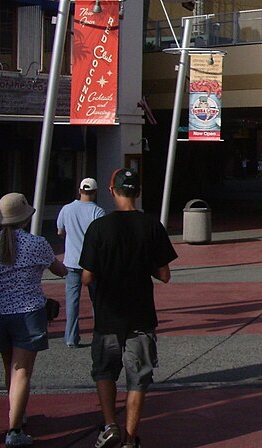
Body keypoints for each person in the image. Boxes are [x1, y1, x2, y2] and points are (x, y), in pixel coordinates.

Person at [80, 169, 177, 448]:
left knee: (104, 371)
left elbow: (87, 275)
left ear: (112, 190)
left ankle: (110, 424)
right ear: (138, 191)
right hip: (141, 314)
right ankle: (130, 439)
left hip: (108, 313)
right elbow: (165, 274)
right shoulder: (151, 226)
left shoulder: (98, 228)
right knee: (138, 378)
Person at [0, 193, 67, 447]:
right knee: (22, 372)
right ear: (24, 217)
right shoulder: (37, 244)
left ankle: (16, 412)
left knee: (9, 367)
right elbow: (59, 270)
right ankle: (14, 429)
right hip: (28, 313)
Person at [56, 177, 105, 348]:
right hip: (92, 263)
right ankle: (100, 335)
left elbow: (60, 231)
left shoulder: (67, 209)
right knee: (97, 300)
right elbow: (101, 238)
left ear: (80, 190)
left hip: (71, 261)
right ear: (95, 192)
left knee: (72, 301)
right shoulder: (98, 212)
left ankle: (71, 337)